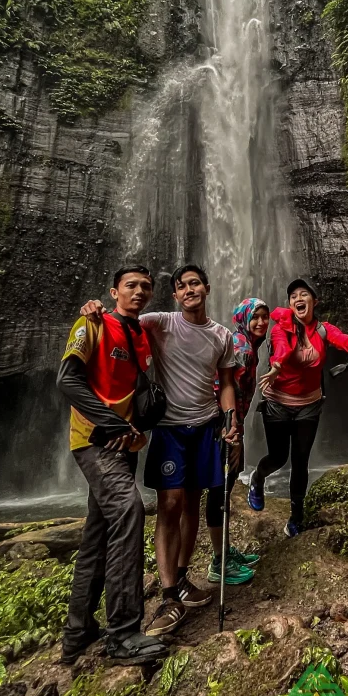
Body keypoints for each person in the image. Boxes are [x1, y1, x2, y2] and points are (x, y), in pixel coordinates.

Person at [80, 264, 242, 637]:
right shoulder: (160, 322)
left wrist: (231, 420)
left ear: (207, 287)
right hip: (169, 429)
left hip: (206, 427)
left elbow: (226, 384)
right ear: (175, 295)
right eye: (181, 286)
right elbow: (122, 320)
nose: (189, 290)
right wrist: (95, 310)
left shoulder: (222, 336)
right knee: (169, 504)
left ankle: (182, 577)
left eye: (195, 283)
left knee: (192, 502)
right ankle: (169, 596)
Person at [57, 266, 167, 666]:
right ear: (113, 291)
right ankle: (123, 633)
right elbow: (68, 381)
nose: (139, 291)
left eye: (146, 287)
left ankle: (78, 632)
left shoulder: (141, 335)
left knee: (98, 532)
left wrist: (133, 428)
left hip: (123, 443)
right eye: (130, 285)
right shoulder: (92, 323)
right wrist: (112, 423)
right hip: (95, 439)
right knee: (129, 509)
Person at [248, 278, 348, 536]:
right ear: (289, 304)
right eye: (293, 296)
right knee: (278, 457)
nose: (298, 299)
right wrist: (277, 366)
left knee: (300, 460)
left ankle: (296, 516)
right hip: (278, 402)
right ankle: (257, 477)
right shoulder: (281, 327)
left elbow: (339, 337)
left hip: (308, 404)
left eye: (303, 294)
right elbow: (281, 347)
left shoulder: (322, 330)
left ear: (314, 301)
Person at [205, 298, 269, 584]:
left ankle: (225, 551)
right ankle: (219, 562)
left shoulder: (244, 344)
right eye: (255, 317)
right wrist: (233, 431)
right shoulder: (242, 348)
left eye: (265, 317)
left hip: (229, 424)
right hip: (225, 427)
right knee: (220, 490)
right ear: (243, 319)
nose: (261, 322)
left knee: (225, 487)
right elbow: (226, 391)